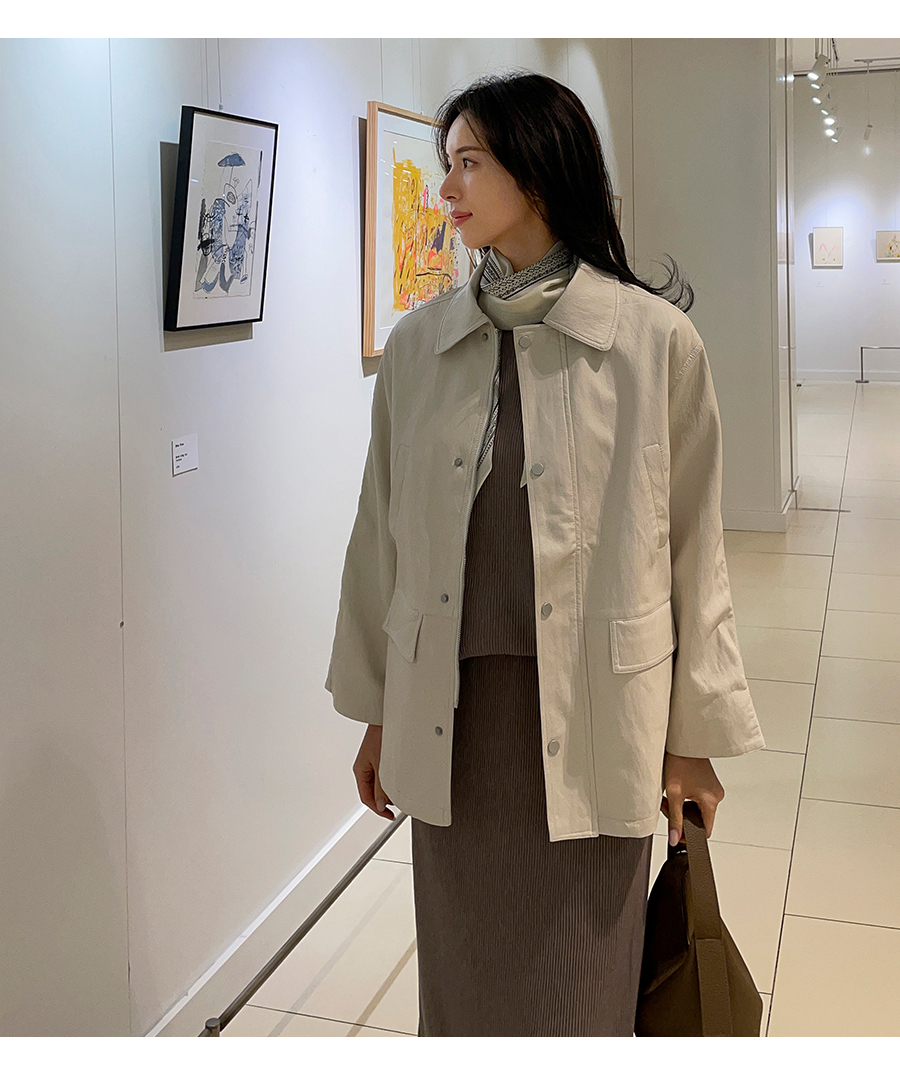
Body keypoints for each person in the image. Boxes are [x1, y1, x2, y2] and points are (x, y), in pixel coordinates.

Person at [325, 71, 765, 1037]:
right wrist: (378, 716)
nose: (447, 189)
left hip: (601, 714)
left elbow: (696, 552)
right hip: (452, 720)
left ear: (538, 170)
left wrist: (691, 738)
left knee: (578, 992)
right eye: (447, 164)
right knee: (464, 990)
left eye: (469, 164)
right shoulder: (420, 348)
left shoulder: (654, 343)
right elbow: (379, 537)